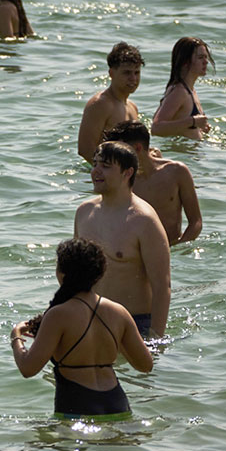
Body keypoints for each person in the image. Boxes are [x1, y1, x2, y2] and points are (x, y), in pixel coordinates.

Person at [10, 239, 152, 419]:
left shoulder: (57, 315)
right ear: (99, 274)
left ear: (62, 274)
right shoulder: (119, 312)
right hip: (117, 404)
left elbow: (28, 368)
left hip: (76, 405)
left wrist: (16, 337)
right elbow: (145, 365)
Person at [74, 142, 170, 337]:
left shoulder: (144, 220)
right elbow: (74, 274)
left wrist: (156, 337)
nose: (96, 172)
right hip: (89, 318)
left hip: (133, 325)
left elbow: (162, 286)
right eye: (95, 164)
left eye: (106, 166)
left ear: (127, 173)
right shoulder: (84, 212)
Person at [102, 121, 203, 245]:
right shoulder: (119, 179)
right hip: (134, 252)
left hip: (172, 247)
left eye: (119, 152)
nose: (115, 157)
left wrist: (178, 249)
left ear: (138, 148)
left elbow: (196, 222)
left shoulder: (177, 172)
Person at [77, 43, 143, 163]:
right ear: (112, 73)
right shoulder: (101, 104)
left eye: (136, 73)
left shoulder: (132, 107)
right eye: (127, 73)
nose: (133, 78)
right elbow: (85, 149)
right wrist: (110, 173)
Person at [151, 37, 211, 139]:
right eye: (200, 57)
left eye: (206, 57)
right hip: (182, 153)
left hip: (191, 152)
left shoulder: (190, 90)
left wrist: (200, 127)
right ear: (185, 62)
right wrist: (192, 121)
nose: (206, 62)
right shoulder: (179, 91)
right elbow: (156, 128)